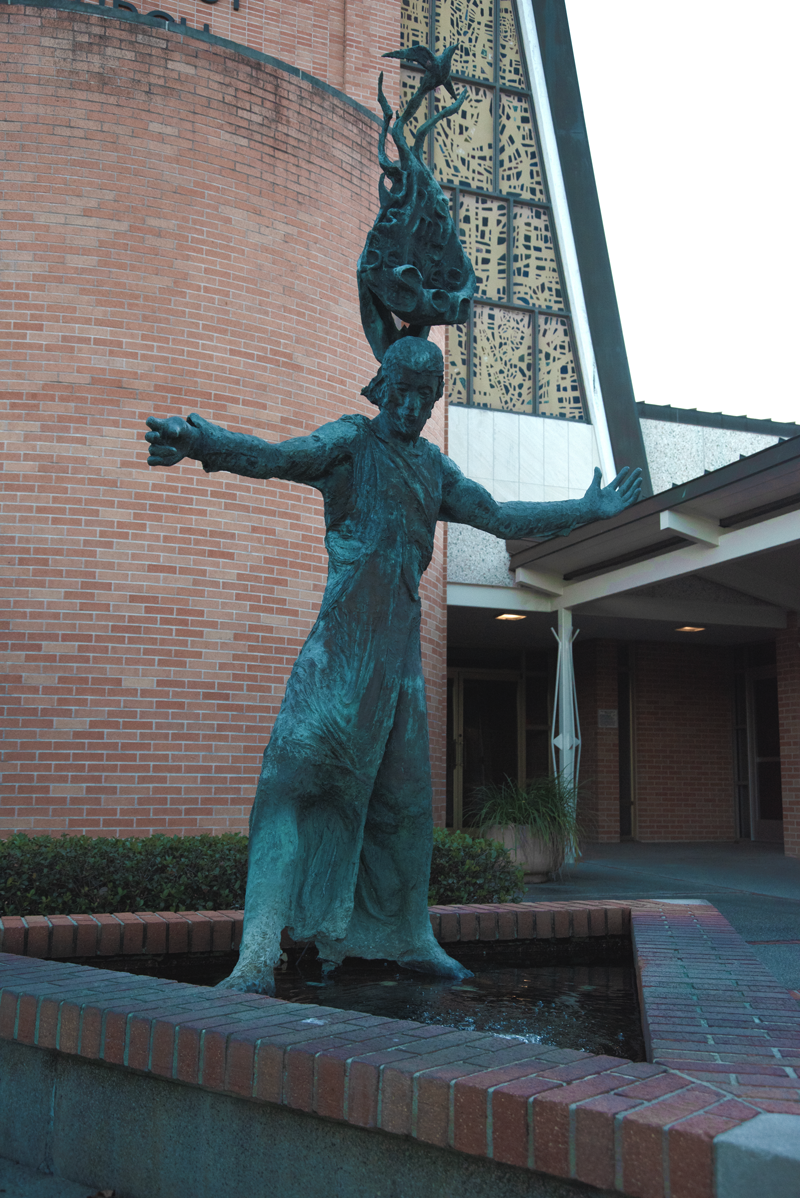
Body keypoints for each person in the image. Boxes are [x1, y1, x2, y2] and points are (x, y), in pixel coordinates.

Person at [145, 337, 642, 993]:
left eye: (424, 398)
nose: (411, 407)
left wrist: (586, 509)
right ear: (383, 389)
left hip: (397, 675)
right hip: (337, 661)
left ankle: (409, 936)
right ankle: (257, 956)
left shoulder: (434, 470)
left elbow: (498, 515)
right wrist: (199, 441)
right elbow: (275, 458)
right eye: (402, 392)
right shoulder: (352, 443)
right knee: (286, 793)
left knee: (408, 813)